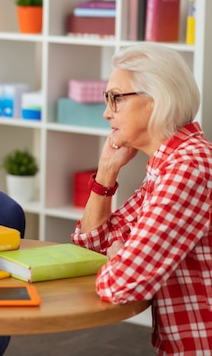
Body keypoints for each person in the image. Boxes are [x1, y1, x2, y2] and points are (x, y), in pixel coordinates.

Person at [71, 42, 212, 355]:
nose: (107, 112)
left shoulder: (189, 168)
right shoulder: (169, 164)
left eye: (115, 98)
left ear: (156, 100)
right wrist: (106, 171)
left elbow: (121, 284)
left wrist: (120, 256)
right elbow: (91, 245)